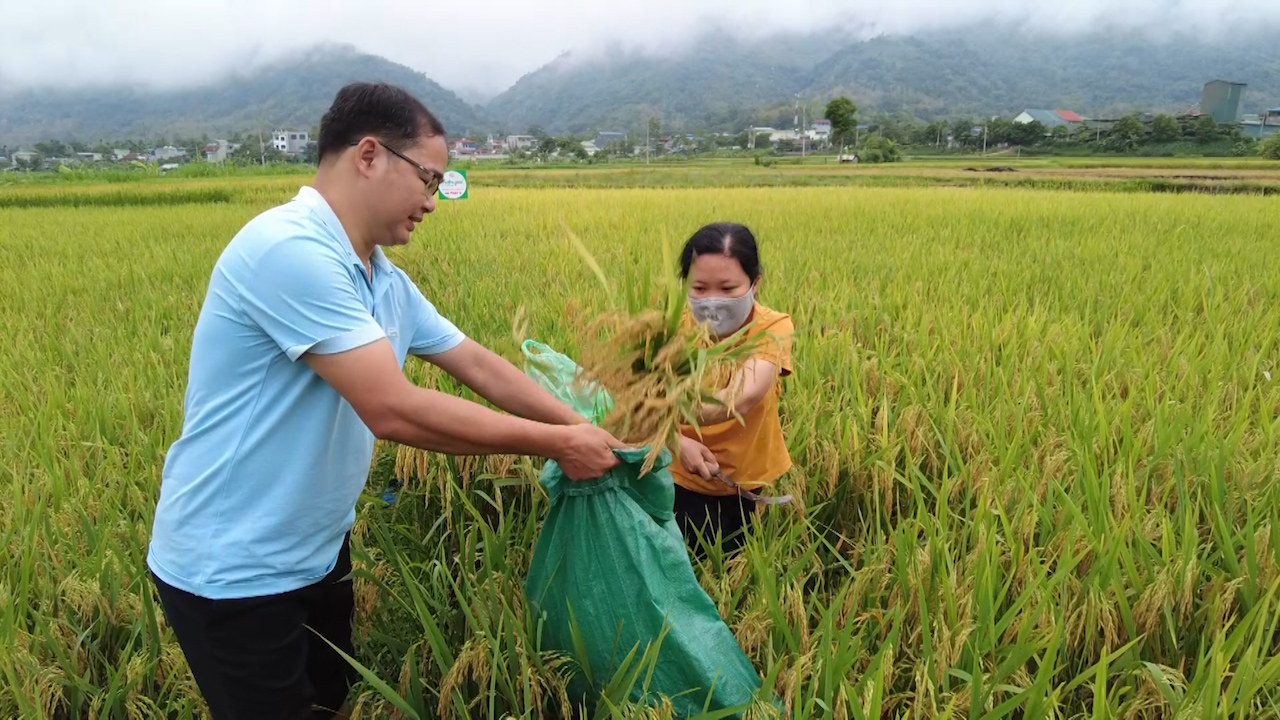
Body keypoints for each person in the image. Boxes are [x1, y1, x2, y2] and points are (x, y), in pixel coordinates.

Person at [144, 82, 625, 720]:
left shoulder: (380, 278)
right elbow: (392, 409)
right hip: (233, 571)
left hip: (315, 551)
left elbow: (478, 363)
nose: (433, 201)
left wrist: (590, 428)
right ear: (369, 154)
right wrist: (560, 444)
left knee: (332, 701)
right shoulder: (288, 250)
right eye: (429, 179)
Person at [671, 222, 795, 559]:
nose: (713, 301)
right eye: (699, 287)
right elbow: (636, 397)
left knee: (731, 568)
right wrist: (676, 440)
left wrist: (665, 410)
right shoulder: (674, 328)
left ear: (755, 283)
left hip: (739, 483)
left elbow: (743, 395)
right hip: (674, 474)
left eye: (727, 288)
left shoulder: (771, 327)